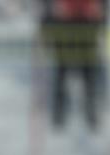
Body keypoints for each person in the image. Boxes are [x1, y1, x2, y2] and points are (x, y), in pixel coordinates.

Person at [42, 0, 105, 131]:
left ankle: (91, 114)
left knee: (89, 76)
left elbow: (101, 8)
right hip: (64, 29)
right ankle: (59, 115)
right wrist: (46, 25)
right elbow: (48, 6)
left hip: (88, 29)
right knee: (62, 74)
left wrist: (100, 14)